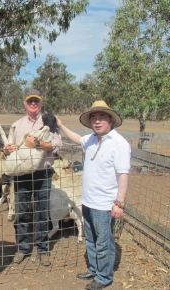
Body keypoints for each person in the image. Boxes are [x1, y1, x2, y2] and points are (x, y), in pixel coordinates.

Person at [56, 100, 131, 290]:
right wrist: (61, 126)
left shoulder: (119, 144)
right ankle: (95, 269)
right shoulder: (90, 139)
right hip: (88, 201)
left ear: (110, 120)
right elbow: (76, 138)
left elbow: (123, 175)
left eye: (101, 117)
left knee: (104, 241)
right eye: (94, 118)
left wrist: (119, 203)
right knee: (91, 239)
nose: (97, 121)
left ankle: (104, 277)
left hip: (105, 204)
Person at [6, 89, 62, 266]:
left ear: (41, 103)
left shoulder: (50, 122)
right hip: (22, 173)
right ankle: (22, 249)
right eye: (30, 101)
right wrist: (7, 149)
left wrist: (37, 143)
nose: (33, 104)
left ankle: (42, 249)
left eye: (36, 101)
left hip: (43, 173)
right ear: (24, 103)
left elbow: (57, 146)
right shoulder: (16, 125)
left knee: (41, 212)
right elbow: (8, 148)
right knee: (21, 212)